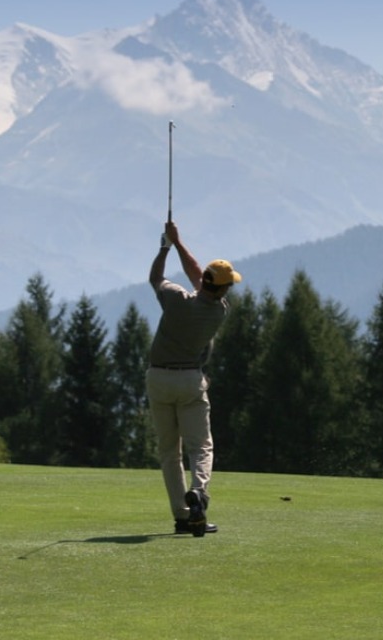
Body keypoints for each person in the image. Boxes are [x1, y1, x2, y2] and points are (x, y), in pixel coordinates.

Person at [147, 220, 241, 537]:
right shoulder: (219, 312)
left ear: (204, 283)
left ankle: (183, 515)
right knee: (201, 447)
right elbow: (199, 276)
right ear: (224, 289)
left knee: (169, 452)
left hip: (158, 378)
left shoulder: (176, 299)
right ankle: (199, 492)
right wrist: (180, 243)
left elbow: (156, 278)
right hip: (189, 381)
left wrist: (167, 245)